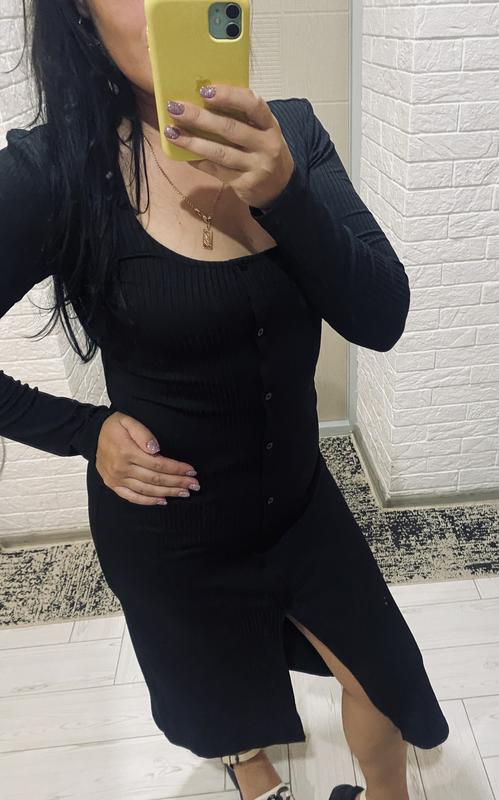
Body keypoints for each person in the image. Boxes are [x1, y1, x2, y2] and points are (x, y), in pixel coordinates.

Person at [0, 2, 449, 800]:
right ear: (78, 14)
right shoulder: (55, 171)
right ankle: (257, 782)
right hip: (172, 533)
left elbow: (381, 317)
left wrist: (284, 194)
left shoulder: (293, 135)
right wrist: (83, 430)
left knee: (384, 682)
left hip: (301, 505)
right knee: (221, 701)